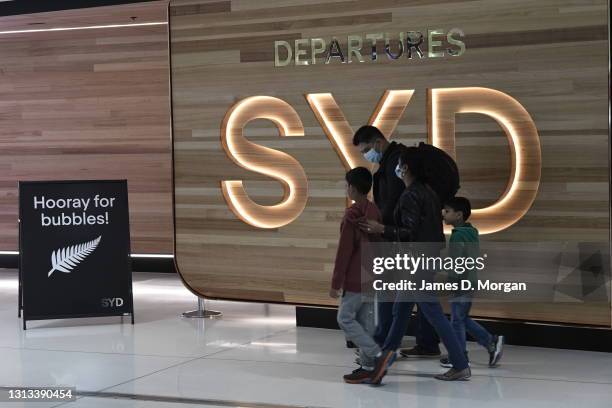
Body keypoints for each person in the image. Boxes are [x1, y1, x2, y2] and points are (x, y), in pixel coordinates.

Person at [360, 147, 471, 382]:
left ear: (406, 168)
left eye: (400, 164)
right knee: (400, 311)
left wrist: (383, 229)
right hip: (427, 258)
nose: (397, 168)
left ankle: (460, 364)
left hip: (416, 262)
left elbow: (411, 232)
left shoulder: (411, 195)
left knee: (433, 314)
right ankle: (384, 360)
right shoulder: (429, 192)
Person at [353, 126, 441, 360]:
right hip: (416, 244)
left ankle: (383, 345)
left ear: (378, 142)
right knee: (418, 299)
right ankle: (425, 343)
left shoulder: (396, 165)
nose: (366, 156)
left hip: (400, 242)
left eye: (366, 150)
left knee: (389, 292)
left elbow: (394, 206)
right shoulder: (395, 162)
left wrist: (383, 229)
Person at [330, 167, 385, 384]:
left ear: (352, 188)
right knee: (366, 323)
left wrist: (336, 283)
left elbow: (344, 252)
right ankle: (368, 366)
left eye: (346, 185)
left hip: (355, 279)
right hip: (372, 276)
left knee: (344, 318)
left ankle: (377, 355)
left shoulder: (352, 215)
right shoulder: (374, 211)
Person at [442, 196, 505, 368]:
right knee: (461, 318)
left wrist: (451, 281)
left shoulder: (457, 237)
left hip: (460, 283)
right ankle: (490, 342)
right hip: (470, 282)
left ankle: (461, 356)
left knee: (456, 320)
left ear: (459, 215)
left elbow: (457, 263)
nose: (443, 214)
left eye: (447, 211)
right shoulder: (471, 233)